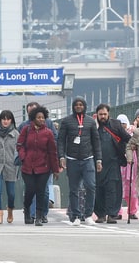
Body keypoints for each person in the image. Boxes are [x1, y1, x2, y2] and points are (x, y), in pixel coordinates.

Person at [58, 97, 102, 226]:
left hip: (88, 159)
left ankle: (88, 215)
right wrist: (61, 157)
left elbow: (96, 141)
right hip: (72, 160)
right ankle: (76, 215)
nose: (78, 107)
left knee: (91, 186)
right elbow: (60, 141)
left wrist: (98, 159)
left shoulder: (90, 122)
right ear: (73, 106)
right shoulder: (66, 121)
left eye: (81, 105)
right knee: (74, 189)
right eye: (76, 105)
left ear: (85, 106)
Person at [17, 106, 60, 226]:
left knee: (41, 191)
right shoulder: (26, 130)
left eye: (43, 118)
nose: (41, 120)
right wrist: (23, 157)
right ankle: (27, 211)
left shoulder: (48, 133)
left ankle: (39, 217)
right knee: (30, 190)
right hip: (28, 167)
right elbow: (19, 145)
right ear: (33, 118)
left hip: (44, 167)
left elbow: (52, 151)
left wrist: (55, 169)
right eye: (38, 118)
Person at [93, 104, 131, 223]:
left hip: (113, 163)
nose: (103, 116)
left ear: (108, 114)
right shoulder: (93, 126)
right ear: (97, 115)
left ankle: (111, 214)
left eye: (105, 114)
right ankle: (100, 215)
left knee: (112, 189)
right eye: (100, 114)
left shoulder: (115, 125)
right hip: (97, 164)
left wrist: (129, 151)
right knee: (98, 190)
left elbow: (127, 138)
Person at [116, 113, 138, 220]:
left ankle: (132, 211)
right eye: (119, 123)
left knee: (132, 189)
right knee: (117, 188)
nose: (122, 125)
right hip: (119, 164)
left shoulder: (133, 134)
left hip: (131, 165)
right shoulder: (114, 134)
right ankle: (117, 211)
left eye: (124, 123)